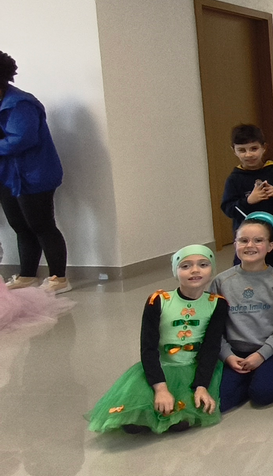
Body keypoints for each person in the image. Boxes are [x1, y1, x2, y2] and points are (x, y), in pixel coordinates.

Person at [85, 246, 228, 433]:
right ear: (175, 271)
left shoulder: (217, 304)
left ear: (212, 269)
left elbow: (211, 347)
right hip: (161, 367)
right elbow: (148, 348)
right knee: (132, 421)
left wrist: (201, 386)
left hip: (193, 369)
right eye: (185, 266)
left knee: (180, 421)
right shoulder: (159, 300)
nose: (195, 270)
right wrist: (160, 389)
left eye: (203, 265)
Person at [208, 214, 273, 411]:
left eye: (258, 240)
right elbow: (213, 326)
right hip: (235, 352)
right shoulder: (221, 282)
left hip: (271, 350)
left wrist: (261, 355)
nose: (250, 245)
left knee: (261, 396)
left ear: (270, 246)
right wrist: (227, 356)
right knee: (222, 400)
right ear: (235, 244)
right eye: (243, 240)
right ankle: (255, 375)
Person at [0, 50, 69, 294]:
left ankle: (59, 278)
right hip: (8, 176)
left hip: (35, 176)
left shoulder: (20, 103)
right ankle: (27, 275)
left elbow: (22, 139)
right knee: (20, 226)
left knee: (42, 226)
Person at [220, 123, 273, 275]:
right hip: (247, 239)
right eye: (242, 150)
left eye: (254, 148)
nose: (248, 154)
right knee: (246, 273)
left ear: (264, 147)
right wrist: (248, 201)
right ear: (234, 150)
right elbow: (228, 208)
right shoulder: (234, 179)